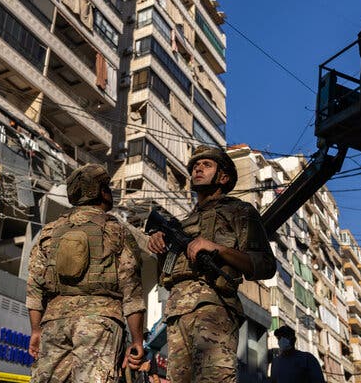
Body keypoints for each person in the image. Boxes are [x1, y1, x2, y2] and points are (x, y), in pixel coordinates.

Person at [147, 145, 276, 383]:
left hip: (214, 309)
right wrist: (159, 244)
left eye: (207, 165)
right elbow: (166, 276)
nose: (198, 168)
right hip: (177, 314)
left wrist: (218, 248)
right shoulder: (184, 223)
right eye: (196, 165)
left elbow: (266, 265)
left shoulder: (239, 211)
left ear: (223, 177)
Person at [26, 164, 146, 382]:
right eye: (107, 187)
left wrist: (36, 329)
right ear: (101, 192)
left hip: (54, 321)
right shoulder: (117, 230)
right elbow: (132, 289)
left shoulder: (51, 231)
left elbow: (34, 286)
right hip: (100, 321)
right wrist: (137, 340)